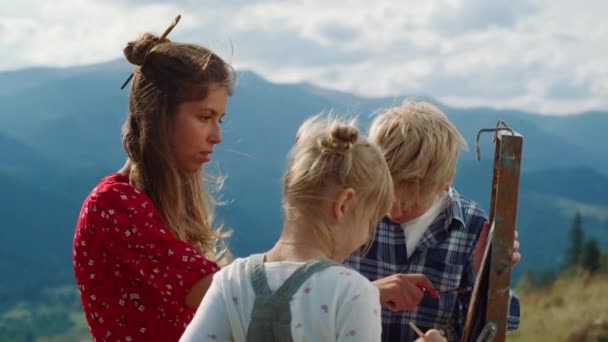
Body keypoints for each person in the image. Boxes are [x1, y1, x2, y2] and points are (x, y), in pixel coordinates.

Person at [180, 116, 445, 342]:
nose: (366, 237)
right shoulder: (352, 293)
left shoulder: (231, 280)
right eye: (369, 222)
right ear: (344, 204)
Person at [72, 19, 235, 341]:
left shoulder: (153, 201)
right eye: (204, 117)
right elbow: (221, 295)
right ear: (159, 116)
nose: (217, 136)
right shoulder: (114, 205)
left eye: (220, 119)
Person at [345, 101, 521, 341]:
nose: (393, 212)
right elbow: (312, 300)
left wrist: (488, 279)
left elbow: (497, 327)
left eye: (410, 204)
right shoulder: (350, 214)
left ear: (446, 181)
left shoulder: (471, 228)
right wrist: (369, 293)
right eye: (386, 197)